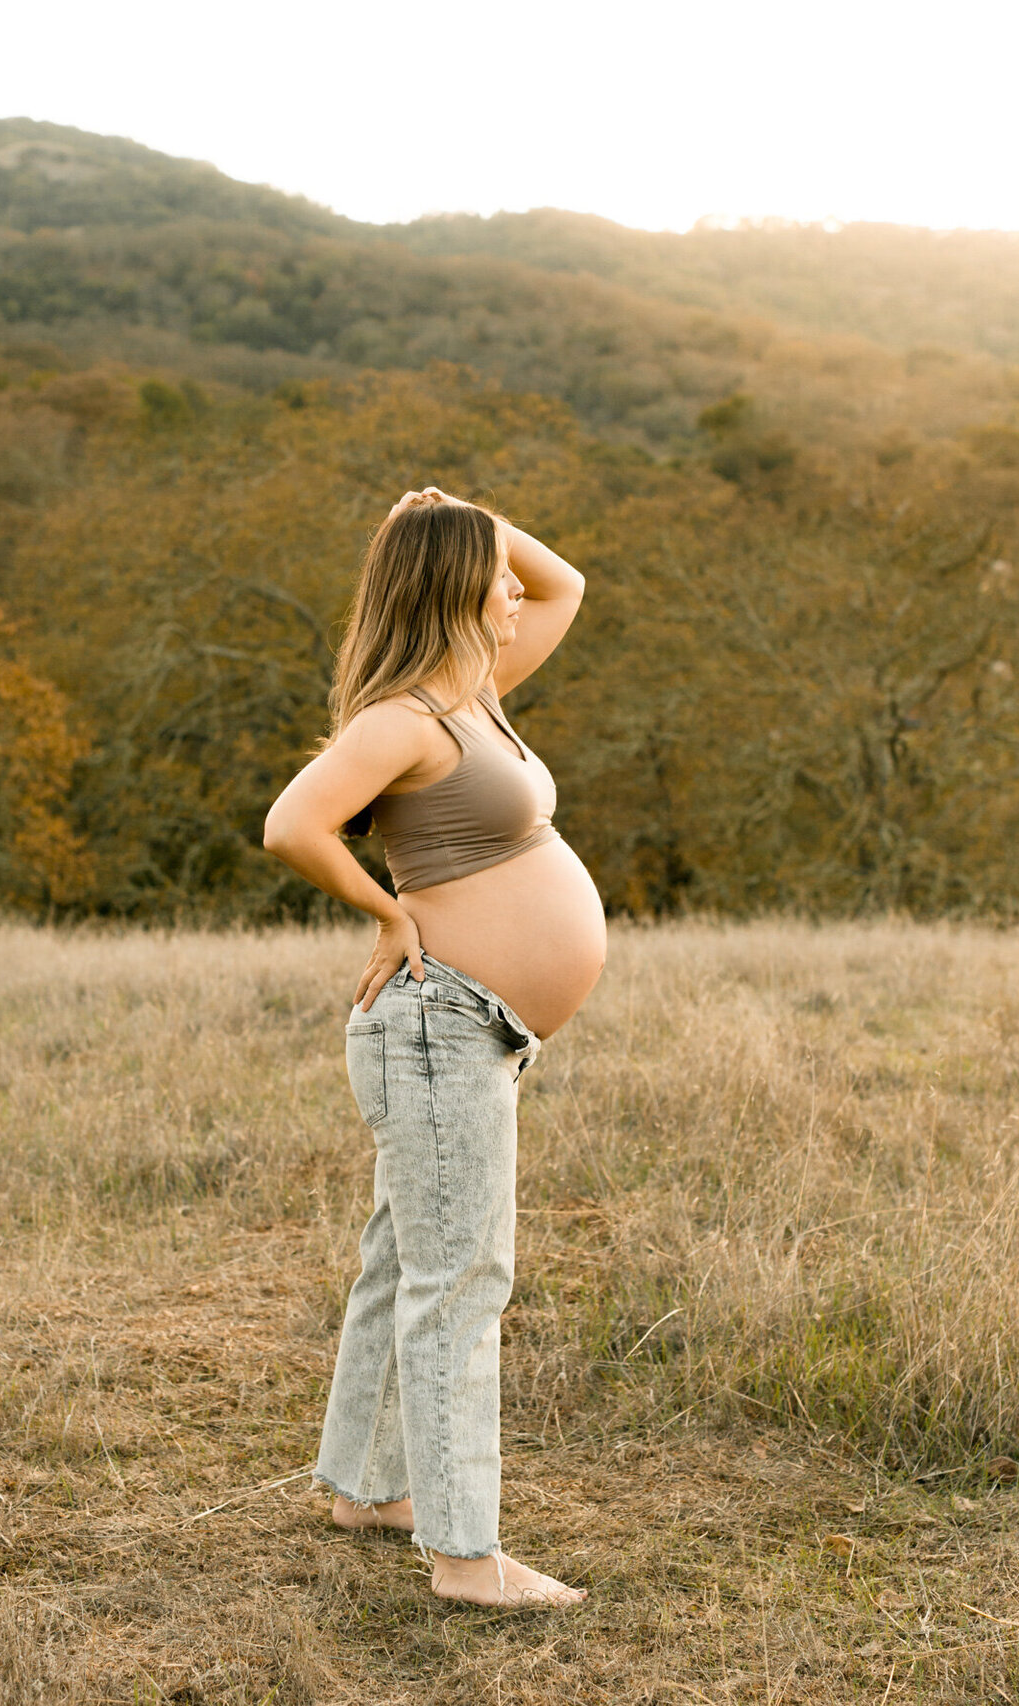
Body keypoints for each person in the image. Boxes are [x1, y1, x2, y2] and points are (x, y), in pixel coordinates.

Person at [262, 486, 606, 1607]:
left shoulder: (477, 697)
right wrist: (389, 912)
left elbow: (569, 584)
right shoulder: (402, 720)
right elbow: (292, 824)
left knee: (402, 1263)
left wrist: (473, 515)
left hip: (465, 1031)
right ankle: (466, 1557)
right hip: (435, 1023)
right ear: (452, 591)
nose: (515, 589)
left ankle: (365, 1486)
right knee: (460, 1281)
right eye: (490, 573)